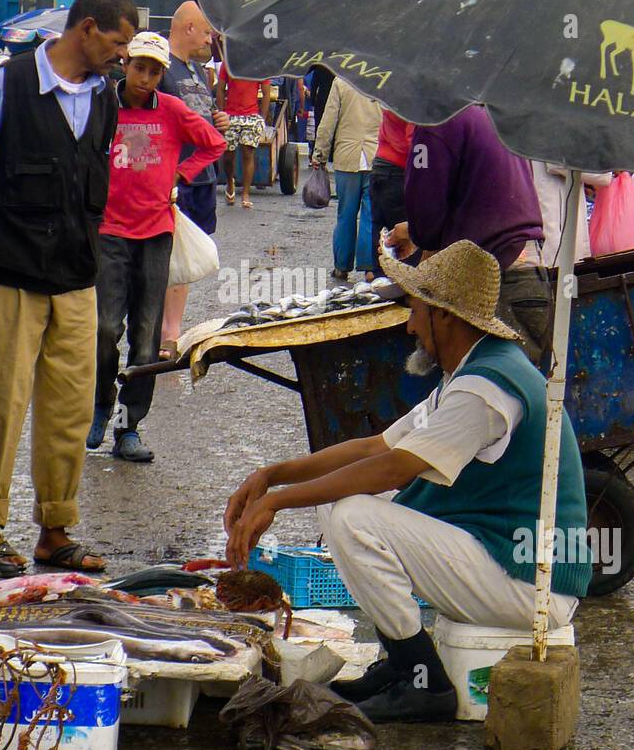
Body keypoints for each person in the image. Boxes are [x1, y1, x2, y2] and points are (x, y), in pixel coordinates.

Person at [224, 241, 591, 721]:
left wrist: (278, 502)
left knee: (353, 516)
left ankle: (424, 681)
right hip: (508, 563)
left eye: (417, 311)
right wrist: (271, 476)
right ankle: (403, 666)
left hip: (533, 585)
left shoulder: (485, 389)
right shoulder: (474, 371)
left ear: (447, 317)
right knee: (341, 504)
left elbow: (394, 467)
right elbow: (377, 447)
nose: (410, 325)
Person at [0, 0, 138, 573]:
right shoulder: (10, 83)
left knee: (69, 408)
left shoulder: (106, 99)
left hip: (74, 276)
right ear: (87, 28)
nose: (122, 56)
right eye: (117, 43)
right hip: (10, 275)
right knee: (2, 406)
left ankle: (55, 529)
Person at [89, 32, 226, 462]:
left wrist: (182, 175)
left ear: (162, 74)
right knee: (105, 328)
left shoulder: (172, 110)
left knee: (146, 338)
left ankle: (129, 427)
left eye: (154, 71)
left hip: (155, 233)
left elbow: (214, 143)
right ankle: (100, 404)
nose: (145, 78)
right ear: (125, 65)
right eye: (139, 68)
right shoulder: (103, 106)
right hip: (109, 232)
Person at [386, 105, 548, 362]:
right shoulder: (487, 111)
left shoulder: (436, 117)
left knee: (488, 392)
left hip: (495, 286)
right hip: (530, 277)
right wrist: (412, 231)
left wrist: (416, 231)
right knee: (512, 392)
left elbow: (426, 221)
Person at [158, 0, 230, 360]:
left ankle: (172, 326)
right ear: (188, 28)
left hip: (203, 175)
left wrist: (217, 122)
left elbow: (200, 115)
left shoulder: (197, 71)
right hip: (177, 174)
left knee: (184, 257)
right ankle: (164, 332)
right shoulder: (161, 68)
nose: (209, 41)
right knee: (166, 253)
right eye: (205, 33)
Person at [311, 76, 381, 281]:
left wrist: (320, 154)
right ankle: (369, 267)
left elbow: (328, 122)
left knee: (346, 214)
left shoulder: (341, 82)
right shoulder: (383, 81)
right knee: (370, 215)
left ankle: (342, 267)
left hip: (346, 157)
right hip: (376, 157)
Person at [530, 161, 612, 267]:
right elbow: (558, 161)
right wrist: (609, 169)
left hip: (558, 215)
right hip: (554, 221)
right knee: (560, 271)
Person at [215, 57, 272, 209]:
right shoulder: (228, 62)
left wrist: (262, 118)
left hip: (251, 115)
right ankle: (229, 182)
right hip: (230, 115)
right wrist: (221, 114)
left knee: (248, 153)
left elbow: (267, 93)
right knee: (228, 156)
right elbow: (220, 89)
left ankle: (246, 193)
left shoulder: (260, 64)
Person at [368, 109, 413, 267]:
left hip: (379, 167)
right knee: (401, 233)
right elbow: (412, 142)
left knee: (380, 228)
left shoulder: (392, 101)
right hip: (397, 172)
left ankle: (378, 275)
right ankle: (399, 280)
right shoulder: (412, 102)